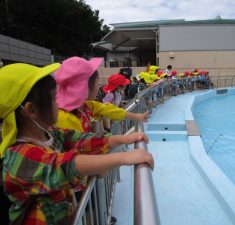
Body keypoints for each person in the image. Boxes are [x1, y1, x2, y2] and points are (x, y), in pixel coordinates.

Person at [0, 63, 154, 225]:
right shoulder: (18, 155)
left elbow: (83, 139)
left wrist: (123, 139)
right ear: (31, 110)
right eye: (54, 98)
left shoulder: (51, 134)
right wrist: (124, 157)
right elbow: (65, 165)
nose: (59, 104)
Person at [53, 57, 149, 133]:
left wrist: (136, 116)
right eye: (96, 83)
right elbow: (79, 153)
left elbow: (109, 110)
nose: (98, 87)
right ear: (84, 88)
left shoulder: (87, 106)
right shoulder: (65, 118)